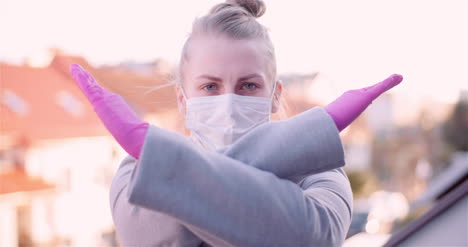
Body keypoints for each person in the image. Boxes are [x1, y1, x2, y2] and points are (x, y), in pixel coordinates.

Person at [70, 0, 403, 246]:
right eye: (210, 86)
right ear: (182, 100)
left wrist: (159, 158)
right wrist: (306, 139)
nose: (228, 101)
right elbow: (156, 238)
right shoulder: (134, 169)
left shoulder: (324, 171)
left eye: (248, 86)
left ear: (275, 95)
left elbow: (311, 238)